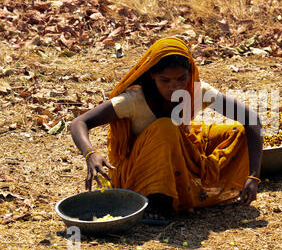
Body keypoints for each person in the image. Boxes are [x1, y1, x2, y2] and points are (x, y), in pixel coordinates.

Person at [70, 36, 263, 220]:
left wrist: (254, 176)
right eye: (165, 81)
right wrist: (90, 153)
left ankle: (190, 191)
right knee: (165, 127)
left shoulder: (196, 91)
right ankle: (156, 201)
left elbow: (251, 119)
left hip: (178, 158)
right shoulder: (134, 100)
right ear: (152, 75)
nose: (175, 87)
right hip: (140, 172)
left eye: (181, 78)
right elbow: (79, 122)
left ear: (190, 73)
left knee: (238, 133)